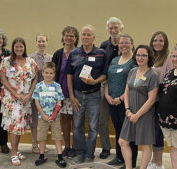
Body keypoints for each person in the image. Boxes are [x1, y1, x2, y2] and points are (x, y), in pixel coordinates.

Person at [66, 24, 108, 163]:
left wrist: (95, 81)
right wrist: (71, 96)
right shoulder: (74, 53)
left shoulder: (101, 53)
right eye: (83, 34)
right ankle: (79, 153)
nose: (85, 37)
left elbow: (105, 75)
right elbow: (69, 76)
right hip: (77, 95)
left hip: (94, 95)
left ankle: (89, 155)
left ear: (94, 37)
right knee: (77, 126)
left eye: (88, 34)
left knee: (93, 127)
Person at [0, 37, 38, 166]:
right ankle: (13, 153)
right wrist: (15, 94)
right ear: (13, 48)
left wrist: (30, 93)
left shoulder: (30, 62)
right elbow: (3, 80)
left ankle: (16, 149)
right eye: (17, 47)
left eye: (21, 46)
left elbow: (36, 78)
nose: (19, 49)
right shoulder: (6, 61)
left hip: (26, 99)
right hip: (12, 99)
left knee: (20, 125)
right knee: (14, 126)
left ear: (24, 48)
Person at [119, 45, 158, 169]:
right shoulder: (132, 71)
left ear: (149, 57)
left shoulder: (152, 74)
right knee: (123, 142)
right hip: (130, 113)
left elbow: (152, 99)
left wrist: (137, 115)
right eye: (138, 55)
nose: (140, 58)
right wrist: (127, 110)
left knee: (145, 145)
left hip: (144, 114)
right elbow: (127, 91)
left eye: (144, 55)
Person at [105, 34, 137, 167]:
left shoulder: (134, 61)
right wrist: (107, 95)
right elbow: (108, 79)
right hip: (112, 101)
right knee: (118, 130)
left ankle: (131, 161)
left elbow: (133, 83)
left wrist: (121, 98)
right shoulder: (114, 60)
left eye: (126, 42)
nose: (123, 45)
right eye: (121, 43)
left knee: (129, 133)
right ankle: (119, 157)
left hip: (127, 102)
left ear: (132, 44)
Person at [32, 62, 67, 168]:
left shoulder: (57, 86)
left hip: (55, 118)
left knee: (57, 136)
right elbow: (36, 101)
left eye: (51, 73)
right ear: (42, 73)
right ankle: (42, 156)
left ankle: (60, 156)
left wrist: (54, 115)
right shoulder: (39, 86)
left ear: (54, 74)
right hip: (42, 117)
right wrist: (43, 114)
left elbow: (59, 102)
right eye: (46, 73)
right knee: (41, 137)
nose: (48, 75)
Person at [99, 17, 124, 160]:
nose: (113, 30)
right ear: (108, 29)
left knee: (120, 122)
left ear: (121, 28)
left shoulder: (126, 43)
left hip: (122, 89)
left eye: (116, 27)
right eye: (111, 28)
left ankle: (121, 151)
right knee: (102, 120)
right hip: (105, 86)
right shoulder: (103, 46)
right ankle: (105, 147)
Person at [52, 26, 79, 158]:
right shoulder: (58, 54)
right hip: (61, 94)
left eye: (72, 36)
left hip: (76, 94)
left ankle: (75, 147)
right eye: (66, 35)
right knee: (65, 120)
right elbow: (52, 73)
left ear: (76, 38)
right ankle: (67, 146)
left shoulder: (79, 53)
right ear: (63, 37)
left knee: (76, 121)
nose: (69, 38)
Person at [147, 31, 173, 169]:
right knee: (151, 132)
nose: (157, 43)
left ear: (165, 43)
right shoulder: (150, 57)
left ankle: (159, 163)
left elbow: (170, 80)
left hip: (160, 101)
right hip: (148, 101)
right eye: (155, 40)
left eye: (161, 40)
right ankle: (153, 160)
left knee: (157, 132)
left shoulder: (168, 58)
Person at [30, 33, 52, 153]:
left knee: (44, 119)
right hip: (35, 93)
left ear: (47, 42)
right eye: (39, 41)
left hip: (48, 94)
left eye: (43, 41)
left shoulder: (51, 58)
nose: (41, 43)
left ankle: (42, 143)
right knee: (35, 118)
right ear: (36, 42)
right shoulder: (31, 58)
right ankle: (34, 143)